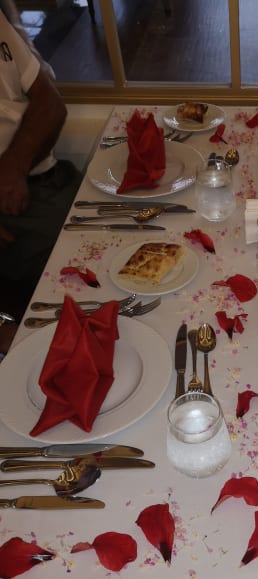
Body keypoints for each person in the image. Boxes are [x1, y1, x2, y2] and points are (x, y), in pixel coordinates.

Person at [0, 2, 81, 354]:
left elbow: (51, 104)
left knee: (134, 233)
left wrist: (13, 167)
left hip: (41, 180)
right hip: (15, 213)